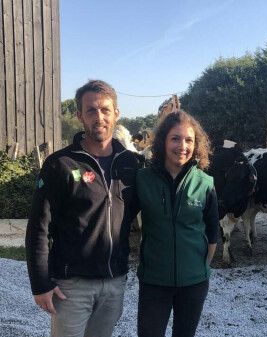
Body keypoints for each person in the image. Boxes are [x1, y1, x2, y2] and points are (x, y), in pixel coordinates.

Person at [25, 80, 139, 337]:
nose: (99, 117)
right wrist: (40, 282)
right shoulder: (60, 164)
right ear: (79, 116)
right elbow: (38, 228)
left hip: (114, 281)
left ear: (116, 114)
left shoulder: (130, 164)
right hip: (72, 285)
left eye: (105, 110)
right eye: (91, 110)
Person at [136, 109, 219, 337]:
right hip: (154, 281)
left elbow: (213, 231)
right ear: (163, 141)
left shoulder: (205, 183)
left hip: (194, 284)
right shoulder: (142, 180)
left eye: (189, 140)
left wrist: (200, 267)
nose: (182, 146)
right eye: (175, 138)